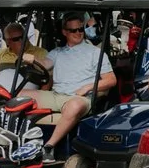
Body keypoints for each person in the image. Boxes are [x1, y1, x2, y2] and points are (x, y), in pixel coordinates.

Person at [40, 11, 116, 151]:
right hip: (56, 95)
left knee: (74, 106)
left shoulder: (95, 53)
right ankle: (13, 142)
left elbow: (111, 80)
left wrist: (87, 87)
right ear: (64, 32)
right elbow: (44, 65)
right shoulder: (57, 52)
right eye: (73, 30)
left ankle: (49, 147)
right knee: (19, 95)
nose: (78, 33)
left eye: (80, 29)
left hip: (80, 97)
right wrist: (31, 60)